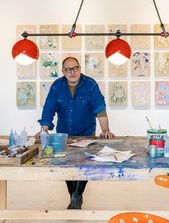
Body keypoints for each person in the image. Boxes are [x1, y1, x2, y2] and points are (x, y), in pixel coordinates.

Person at [37, 56, 114, 209]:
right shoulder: (57, 86)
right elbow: (49, 108)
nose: (72, 72)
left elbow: (100, 108)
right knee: (66, 166)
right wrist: (44, 129)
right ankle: (73, 195)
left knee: (85, 165)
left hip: (86, 133)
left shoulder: (90, 85)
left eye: (75, 68)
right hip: (64, 135)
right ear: (63, 71)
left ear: (79, 68)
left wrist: (105, 130)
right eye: (68, 69)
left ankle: (77, 195)